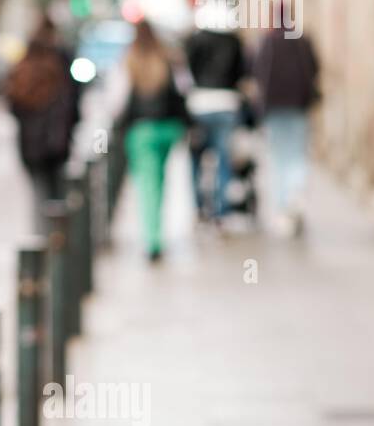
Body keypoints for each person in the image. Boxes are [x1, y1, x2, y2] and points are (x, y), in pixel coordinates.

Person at [113, 18, 189, 262]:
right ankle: (156, 234)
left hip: (141, 131)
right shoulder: (166, 58)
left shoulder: (129, 60)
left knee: (147, 184)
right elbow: (183, 88)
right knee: (158, 180)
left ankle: (153, 239)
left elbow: (117, 98)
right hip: (167, 128)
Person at [5, 16, 80, 230]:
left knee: (39, 196)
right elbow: (73, 102)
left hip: (30, 146)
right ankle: (56, 246)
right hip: (57, 143)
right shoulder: (60, 61)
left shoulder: (23, 65)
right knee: (58, 197)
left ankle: (42, 240)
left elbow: (13, 106)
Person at [251, 24, 319, 237]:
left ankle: (283, 208)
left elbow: (257, 71)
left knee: (279, 158)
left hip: (274, 107)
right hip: (298, 106)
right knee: (297, 154)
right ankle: (295, 195)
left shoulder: (268, 41)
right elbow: (315, 68)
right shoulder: (302, 40)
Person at [184, 16, 247, 228]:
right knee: (223, 159)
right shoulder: (234, 41)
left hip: (200, 103)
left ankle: (200, 206)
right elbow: (241, 73)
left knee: (196, 158)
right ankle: (221, 210)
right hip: (226, 103)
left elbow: (187, 72)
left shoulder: (195, 40)